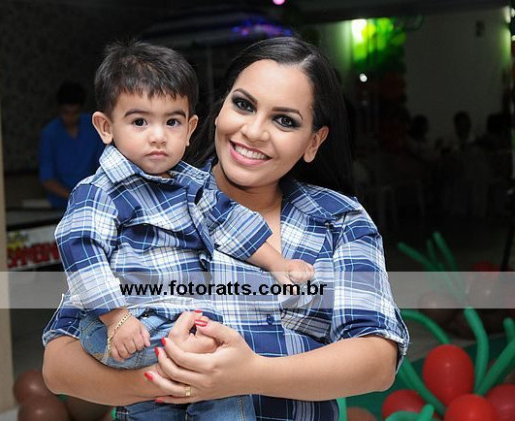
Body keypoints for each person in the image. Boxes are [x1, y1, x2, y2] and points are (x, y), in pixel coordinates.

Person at [43, 36, 409, 421]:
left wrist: (249, 375)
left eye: (285, 120)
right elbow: (59, 365)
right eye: (243, 104)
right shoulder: (141, 202)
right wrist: (174, 378)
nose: (254, 131)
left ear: (313, 142)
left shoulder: (338, 219)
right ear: (218, 111)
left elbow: (377, 360)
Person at [39, 81, 105, 209]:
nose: (70, 117)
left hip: (92, 199)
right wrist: (73, 197)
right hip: (60, 204)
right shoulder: (50, 134)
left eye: (75, 113)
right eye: (66, 112)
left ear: (81, 109)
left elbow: (102, 164)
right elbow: (47, 178)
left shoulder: (92, 127)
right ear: (59, 109)